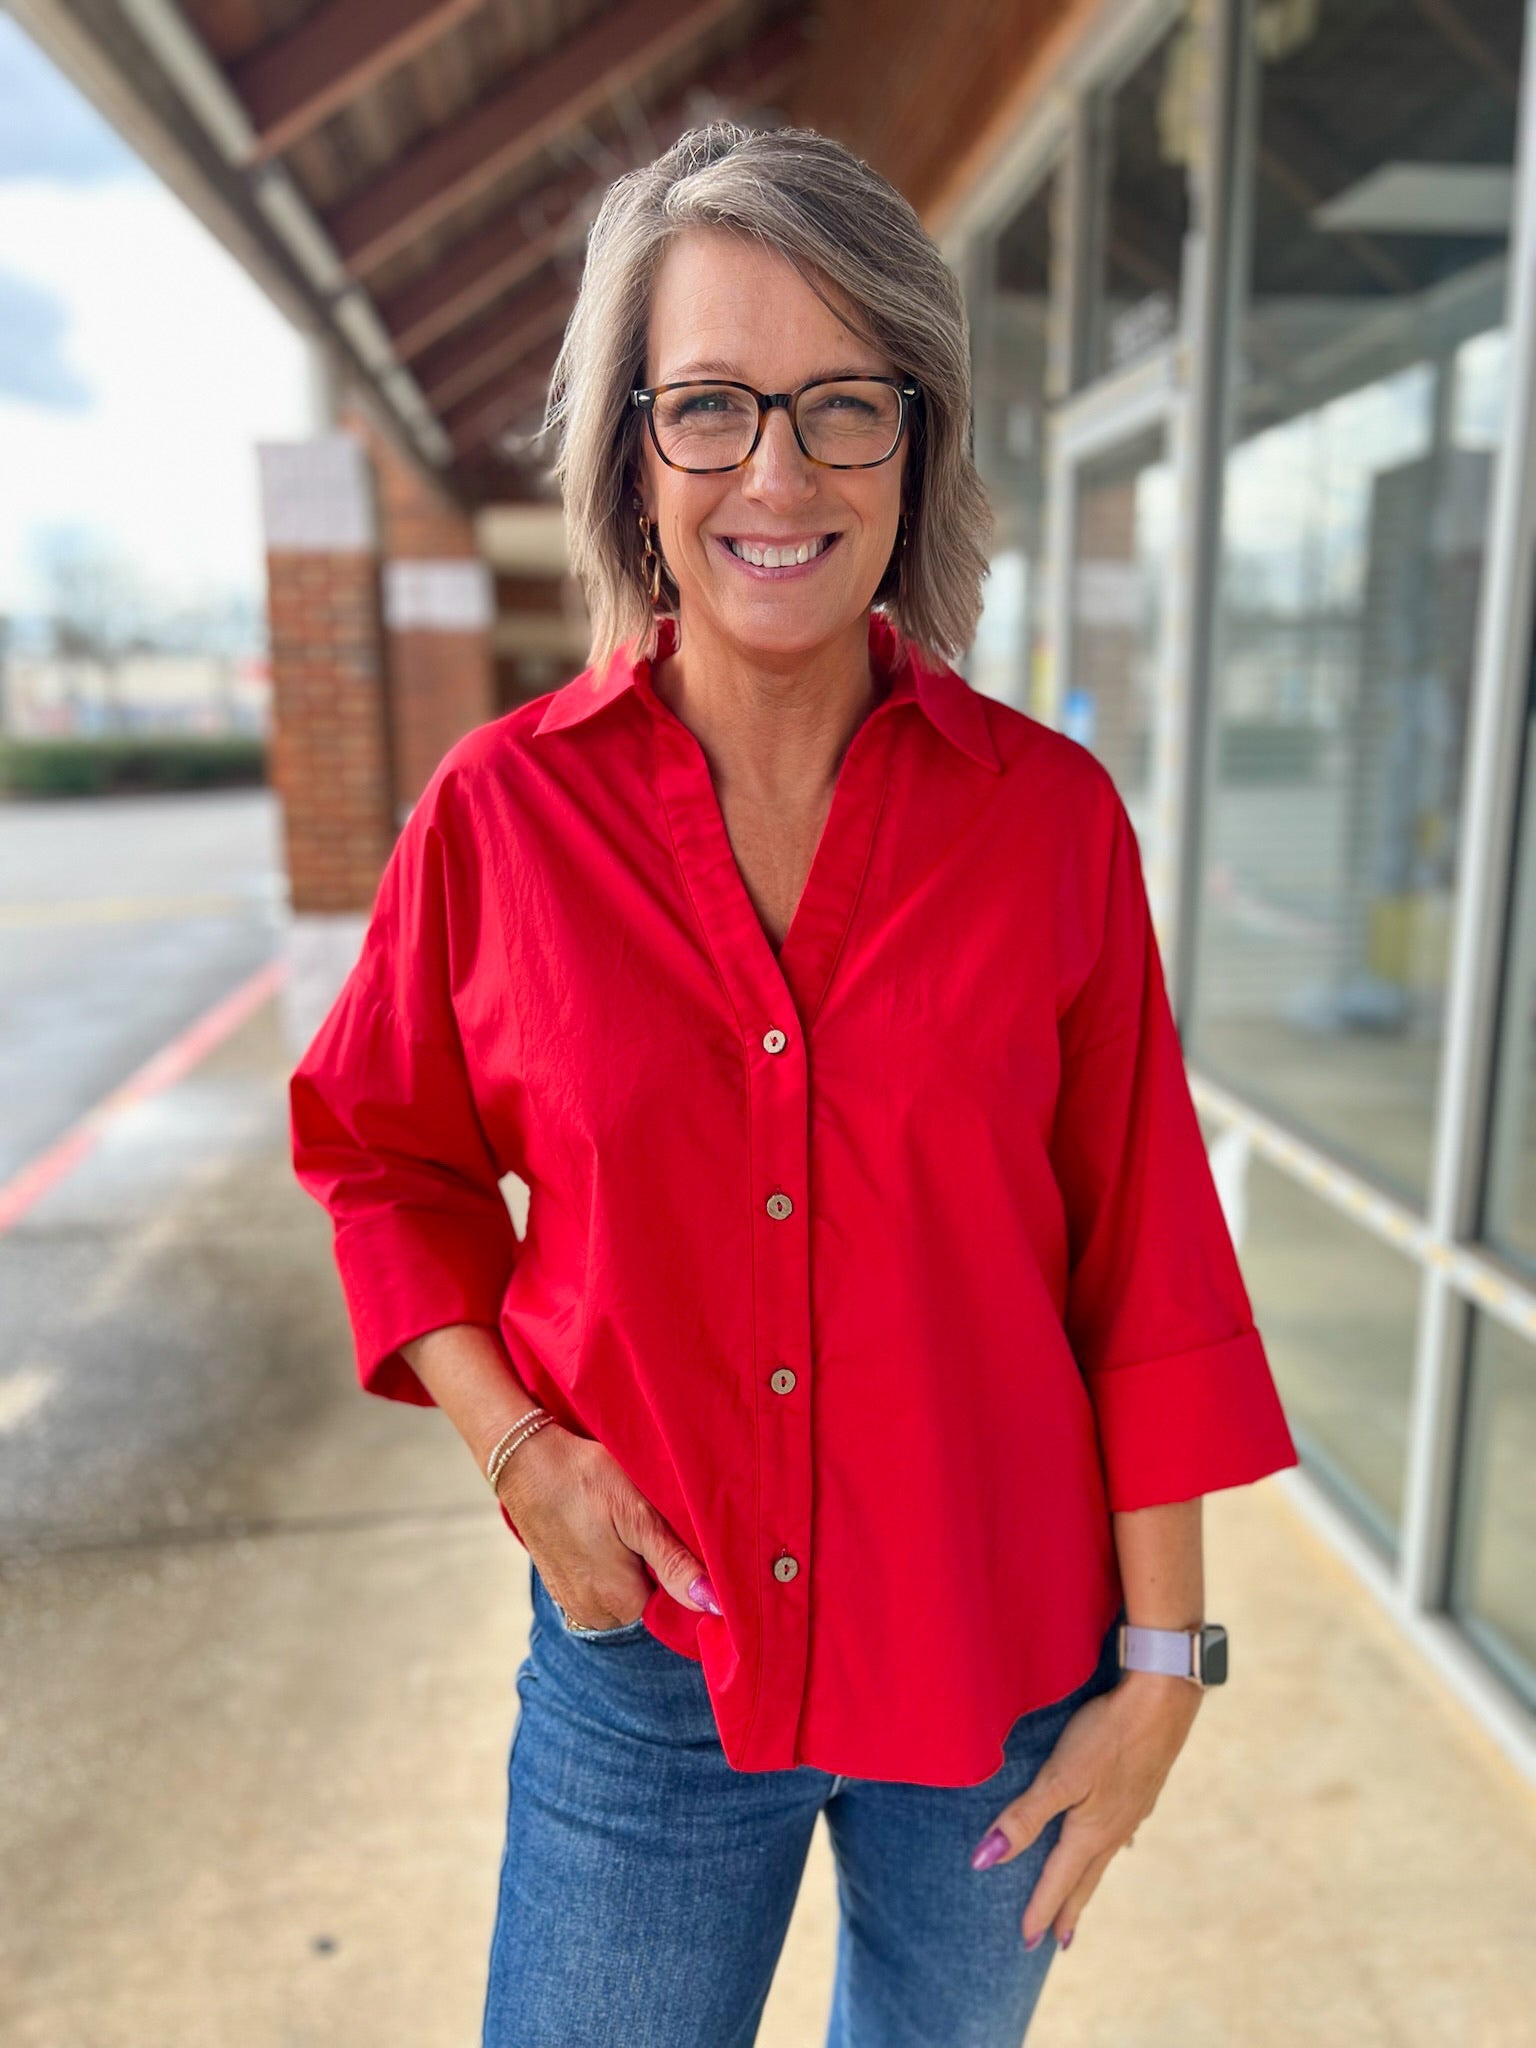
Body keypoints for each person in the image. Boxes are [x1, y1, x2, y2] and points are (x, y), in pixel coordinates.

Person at [289, 121, 1299, 2048]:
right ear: (631, 452)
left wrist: (1163, 1664)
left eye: (846, 405)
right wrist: (515, 1449)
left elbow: (1143, 1252)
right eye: (713, 407)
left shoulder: (1051, 823)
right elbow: (380, 1155)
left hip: (1001, 1664)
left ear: (914, 445)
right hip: (648, 1666)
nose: (779, 471)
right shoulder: (500, 818)